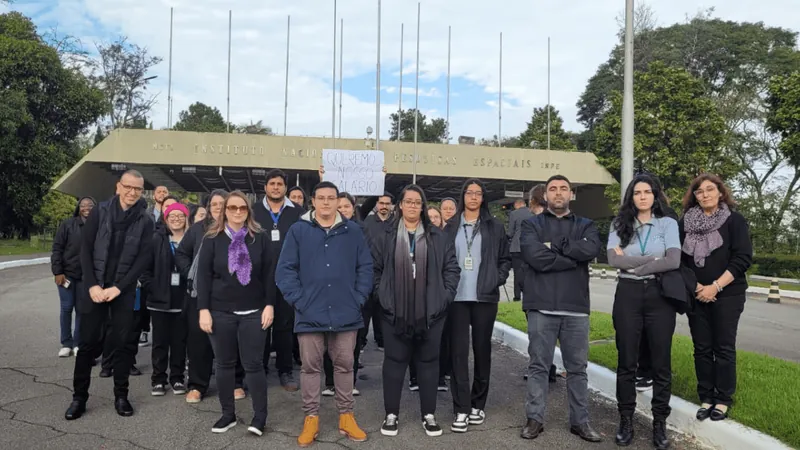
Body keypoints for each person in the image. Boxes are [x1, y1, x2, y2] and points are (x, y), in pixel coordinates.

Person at [276, 181, 373, 447]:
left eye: (332, 198)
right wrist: (299, 301)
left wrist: (358, 298)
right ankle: (311, 419)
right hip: (309, 313)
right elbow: (285, 271)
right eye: (322, 198)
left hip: (346, 312)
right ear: (314, 201)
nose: (327, 203)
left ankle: (346, 417)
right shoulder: (298, 230)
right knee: (310, 368)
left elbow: (365, 267)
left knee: (345, 366)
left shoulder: (353, 231)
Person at [65, 170, 155, 420]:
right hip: (94, 290)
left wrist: (119, 287)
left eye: (137, 189)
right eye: (128, 187)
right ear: (118, 187)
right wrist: (92, 285)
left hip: (122, 292)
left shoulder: (146, 221)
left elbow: (143, 259)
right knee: (87, 345)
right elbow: (85, 250)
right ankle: (79, 398)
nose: (132, 192)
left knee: (124, 345)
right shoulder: (100, 212)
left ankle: (121, 396)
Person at [519, 175, 602, 443]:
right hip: (541, 306)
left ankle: (580, 422)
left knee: (577, 369)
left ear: (571, 194)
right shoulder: (531, 225)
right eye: (552, 189)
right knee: (538, 366)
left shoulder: (586, 224)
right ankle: (535, 419)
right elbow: (534, 257)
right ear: (545, 195)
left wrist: (555, 248)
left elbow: (590, 250)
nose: (557, 193)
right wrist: (571, 258)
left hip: (576, 308)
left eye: (563, 189)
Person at [373, 185, 460, 437]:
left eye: (417, 202)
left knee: (428, 363)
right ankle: (391, 414)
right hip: (394, 311)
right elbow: (374, 270)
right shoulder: (386, 235)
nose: (412, 206)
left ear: (422, 206)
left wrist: (443, 298)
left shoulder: (438, 236)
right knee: (394, 362)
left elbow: (452, 270)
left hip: (431, 312)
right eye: (408, 201)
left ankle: (429, 414)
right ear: (399, 205)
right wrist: (383, 297)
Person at [606, 174, 680, 449]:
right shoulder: (619, 224)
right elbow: (613, 259)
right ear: (631, 197)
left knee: (661, 363)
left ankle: (660, 422)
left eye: (647, 192)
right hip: (628, 295)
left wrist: (636, 264)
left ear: (655, 195)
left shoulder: (668, 223)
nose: (643, 196)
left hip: (659, 296)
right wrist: (652, 260)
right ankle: (625, 419)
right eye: (637, 192)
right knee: (627, 361)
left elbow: (673, 260)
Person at [196, 190, 277, 436]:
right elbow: (203, 277)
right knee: (224, 364)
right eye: (232, 208)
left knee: (253, 365)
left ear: (248, 211)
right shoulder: (212, 238)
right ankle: (227, 414)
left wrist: (270, 305)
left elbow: (269, 275)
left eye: (242, 208)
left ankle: (259, 416)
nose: (238, 212)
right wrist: (203, 310)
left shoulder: (259, 238)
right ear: (224, 211)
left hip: (254, 311)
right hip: (221, 312)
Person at [681, 174, 752, 422]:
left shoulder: (734, 221)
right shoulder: (686, 223)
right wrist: (698, 286)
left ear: (721, 193)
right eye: (699, 191)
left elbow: (742, 258)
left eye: (710, 190)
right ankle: (706, 396)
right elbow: (681, 261)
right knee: (701, 348)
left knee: (723, 347)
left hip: (728, 294)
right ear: (694, 196)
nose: (705, 195)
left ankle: (722, 399)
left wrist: (715, 287)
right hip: (696, 293)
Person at [444, 178, 511, 433]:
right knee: (458, 354)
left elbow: (505, 259)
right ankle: (460, 408)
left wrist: (498, 277)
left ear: (483, 198)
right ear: (463, 197)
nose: (473, 197)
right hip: (457, 299)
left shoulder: (494, 227)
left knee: (482, 351)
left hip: (484, 297)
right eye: (469, 193)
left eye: (478, 193)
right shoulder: (450, 226)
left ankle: (477, 404)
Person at [175, 190, 246, 403]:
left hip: (230, 295)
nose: (218, 207)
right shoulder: (198, 229)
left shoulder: (239, 231)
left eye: (222, 203)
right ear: (208, 207)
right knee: (199, 342)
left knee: (232, 340)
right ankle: (197, 385)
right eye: (214, 204)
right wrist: (192, 274)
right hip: (199, 294)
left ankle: (235, 382)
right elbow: (181, 253)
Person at [253, 169, 302, 392]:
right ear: (265, 187)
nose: (275, 187)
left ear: (285, 188)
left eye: (280, 184)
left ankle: (285, 370)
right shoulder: (252, 211)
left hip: (288, 277)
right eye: (271, 183)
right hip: (258, 278)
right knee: (260, 325)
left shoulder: (298, 213)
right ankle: (259, 369)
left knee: (284, 325)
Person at [141, 202, 191, 397]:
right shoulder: (156, 239)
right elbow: (145, 270)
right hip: (159, 301)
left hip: (183, 300)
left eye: (180, 216)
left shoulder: (191, 239)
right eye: (172, 216)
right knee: (160, 343)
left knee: (180, 342)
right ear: (166, 218)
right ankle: (158, 379)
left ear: (186, 218)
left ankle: (177, 377)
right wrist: (153, 289)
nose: (176, 219)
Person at [322, 191, 365, 397]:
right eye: (339, 206)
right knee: (327, 341)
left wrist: (360, 295)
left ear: (353, 209)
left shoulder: (358, 231)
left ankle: (351, 381)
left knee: (349, 346)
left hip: (352, 298)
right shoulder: (322, 231)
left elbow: (365, 265)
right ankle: (330, 382)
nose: (343, 210)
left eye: (347, 206)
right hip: (327, 297)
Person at [52, 196, 96, 358]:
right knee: (66, 308)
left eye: (90, 205)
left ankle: (78, 343)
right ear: (78, 207)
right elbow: (57, 249)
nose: (87, 208)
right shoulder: (67, 225)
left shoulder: (98, 225)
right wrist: (58, 271)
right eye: (83, 205)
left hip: (86, 277)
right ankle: (66, 343)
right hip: (67, 275)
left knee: (82, 311)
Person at [360, 192, 395, 350]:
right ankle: (360, 344)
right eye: (381, 203)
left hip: (387, 275)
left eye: (387, 203)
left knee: (384, 311)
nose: (384, 206)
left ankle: (383, 342)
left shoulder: (396, 223)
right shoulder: (366, 221)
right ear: (376, 204)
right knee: (365, 312)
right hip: (368, 273)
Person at [507, 198, 533, 302]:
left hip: (517, 247)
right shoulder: (532, 213)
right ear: (524, 204)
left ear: (516, 205)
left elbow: (510, 232)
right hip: (530, 247)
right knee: (529, 272)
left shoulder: (514, 214)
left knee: (517, 273)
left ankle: (517, 296)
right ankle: (529, 294)